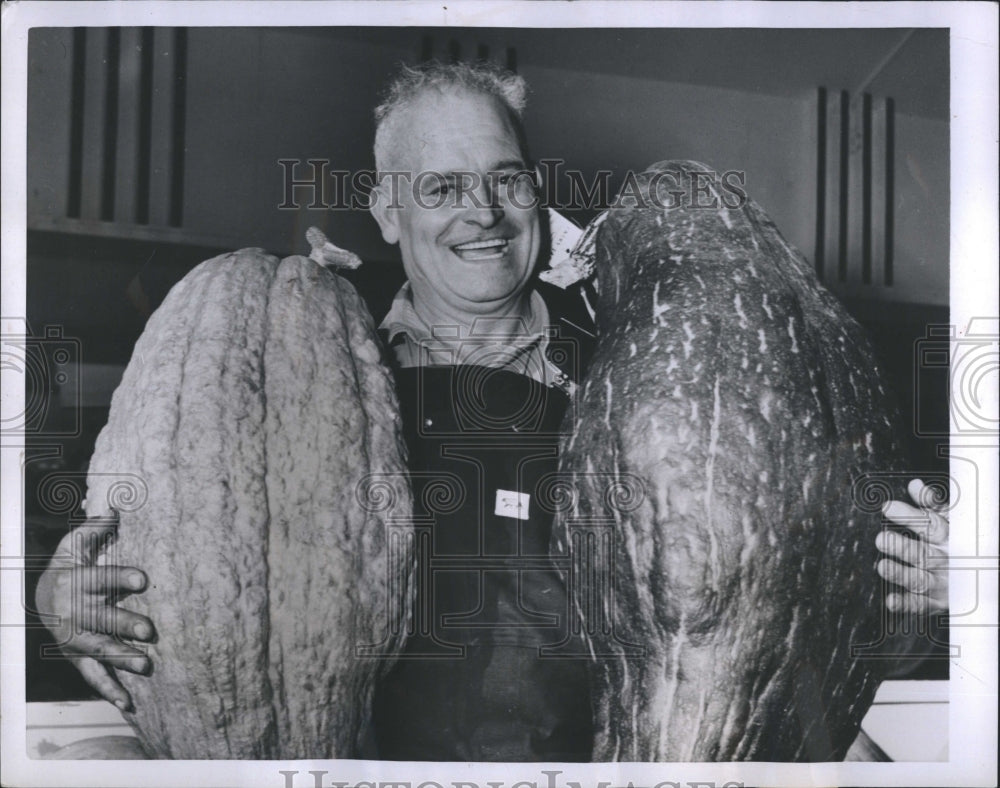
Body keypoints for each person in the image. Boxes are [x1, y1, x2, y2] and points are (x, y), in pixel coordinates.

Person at [34, 61, 950, 761]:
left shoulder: (650, 369)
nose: (484, 211)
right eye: (441, 188)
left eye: (507, 178)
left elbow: (786, 621)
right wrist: (66, 595)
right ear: (386, 211)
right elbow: (192, 565)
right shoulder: (309, 375)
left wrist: (939, 591)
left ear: (535, 190)